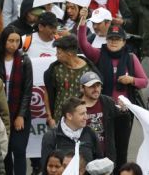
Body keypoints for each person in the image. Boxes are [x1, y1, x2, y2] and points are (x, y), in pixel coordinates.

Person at [77, 14, 148, 167]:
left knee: (121, 149)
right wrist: (82, 24)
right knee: (105, 147)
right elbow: (83, 44)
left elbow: (144, 82)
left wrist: (131, 80)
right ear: (106, 40)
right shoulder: (99, 54)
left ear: (123, 42)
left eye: (117, 40)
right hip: (103, 109)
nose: (113, 42)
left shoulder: (130, 58)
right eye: (110, 39)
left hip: (124, 112)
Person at [0, 26, 33, 175]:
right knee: (4, 152)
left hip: (19, 112)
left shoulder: (24, 60)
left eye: (17, 41)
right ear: (4, 40)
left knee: (19, 150)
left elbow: (27, 90)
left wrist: (20, 115)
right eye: (10, 40)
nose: (14, 44)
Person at [44, 35, 99, 126]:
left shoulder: (88, 70)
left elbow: (95, 95)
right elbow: (47, 92)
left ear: (69, 53)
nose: (56, 55)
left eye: (59, 52)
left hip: (83, 120)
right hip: (58, 120)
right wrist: (50, 117)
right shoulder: (55, 69)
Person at [40, 97, 103, 172]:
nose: (86, 117)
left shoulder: (90, 133)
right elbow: (46, 168)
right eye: (82, 114)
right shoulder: (51, 136)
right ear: (69, 116)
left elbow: (99, 163)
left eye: (86, 112)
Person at [79, 72, 121, 163]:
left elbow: (121, 127)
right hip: (84, 157)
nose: (96, 89)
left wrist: (124, 110)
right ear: (82, 88)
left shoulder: (108, 102)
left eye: (98, 85)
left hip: (106, 157)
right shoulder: (75, 106)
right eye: (91, 86)